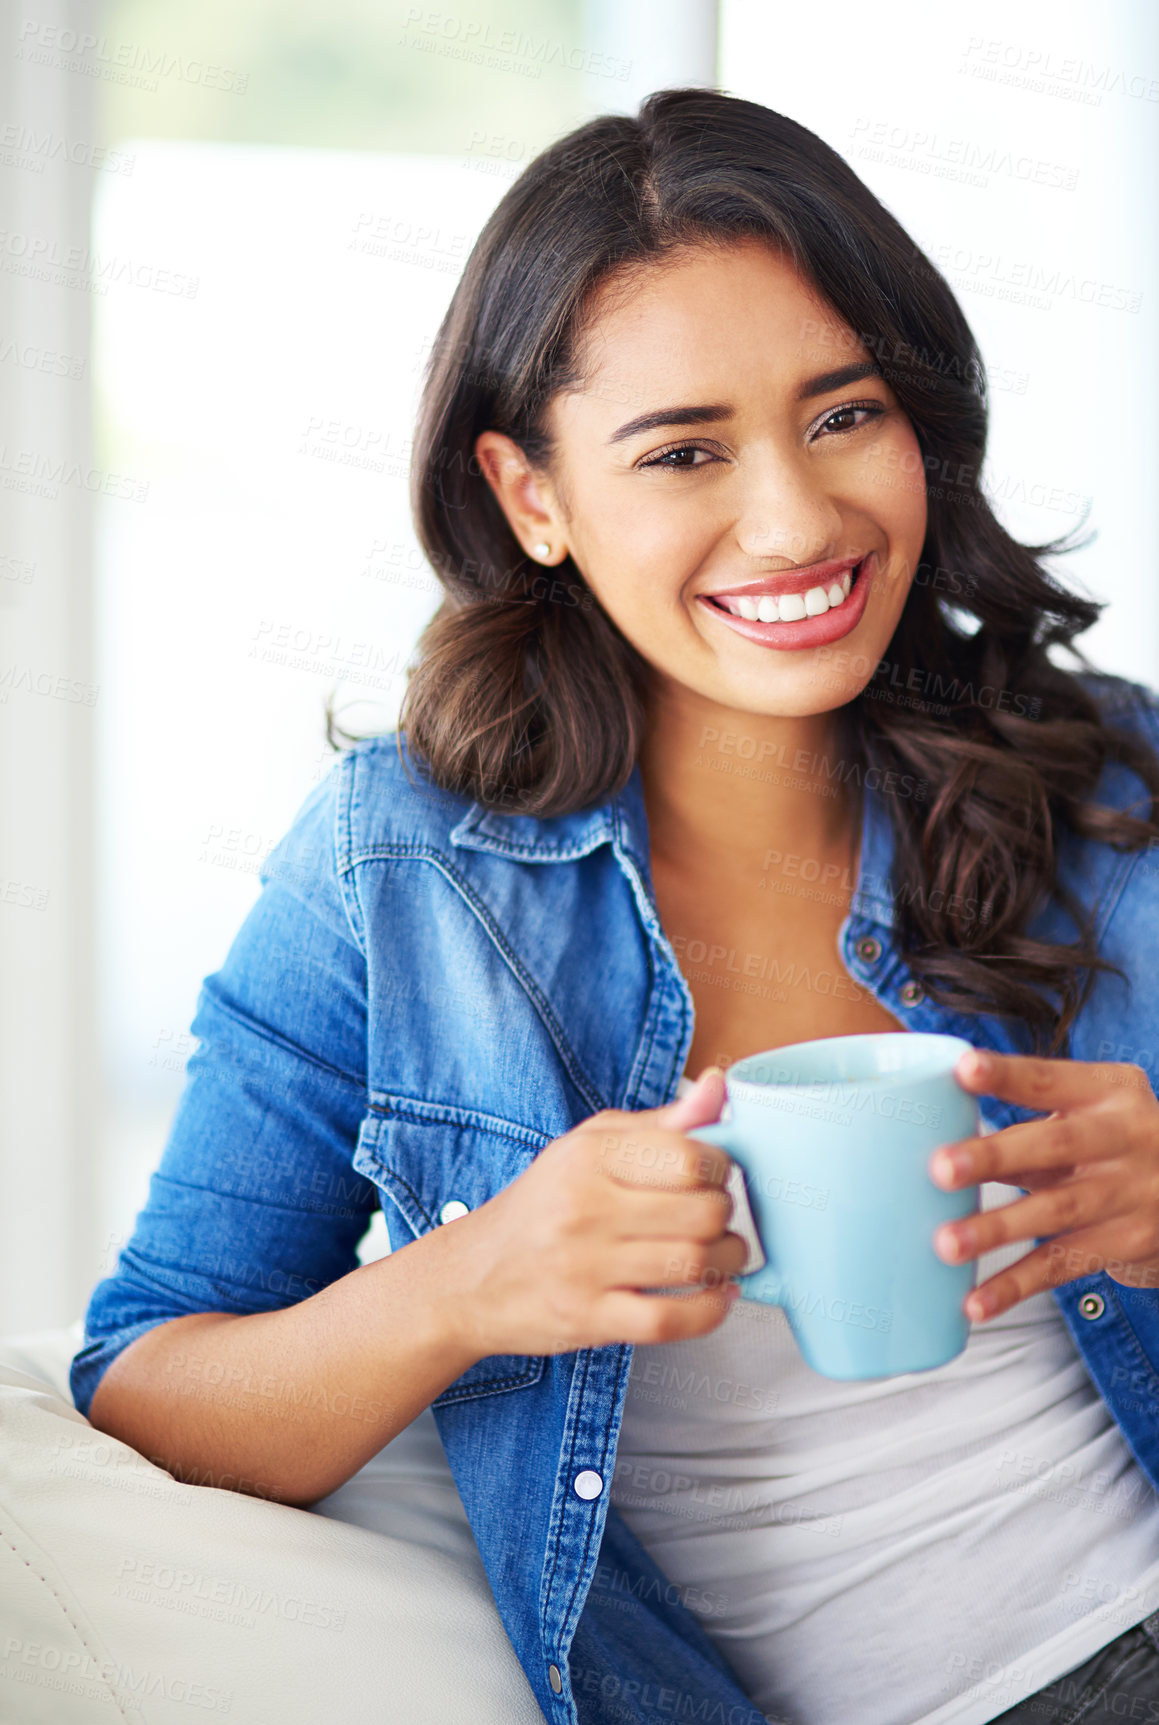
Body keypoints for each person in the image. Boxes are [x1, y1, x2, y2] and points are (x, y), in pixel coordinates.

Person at [71, 88, 1159, 1725]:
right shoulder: (396, 879)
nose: (796, 519)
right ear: (533, 495)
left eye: (845, 414)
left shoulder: (1116, 779)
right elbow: (146, 1380)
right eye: (684, 452)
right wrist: (470, 1282)